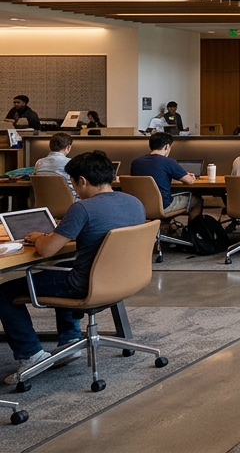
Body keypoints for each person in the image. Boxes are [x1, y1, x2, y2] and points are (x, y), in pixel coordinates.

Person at [0, 151, 144, 384]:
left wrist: (38, 237)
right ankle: (69, 340)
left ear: (83, 181)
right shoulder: (134, 202)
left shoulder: (82, 209)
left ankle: (30, 354)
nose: (74, 190)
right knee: (64, 266)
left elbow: (47, 250)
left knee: (4, 292)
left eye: (73, 183)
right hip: (122, 278)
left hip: (85, 283)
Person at [130, 132, 200, 220]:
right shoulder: (169, 162)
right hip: (163, 206)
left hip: (140, 206)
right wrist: (189, 176)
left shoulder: (136, 162)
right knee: (196, 201)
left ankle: (165, 227)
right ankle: (192, 233)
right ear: (167, 147)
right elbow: (190, 181)